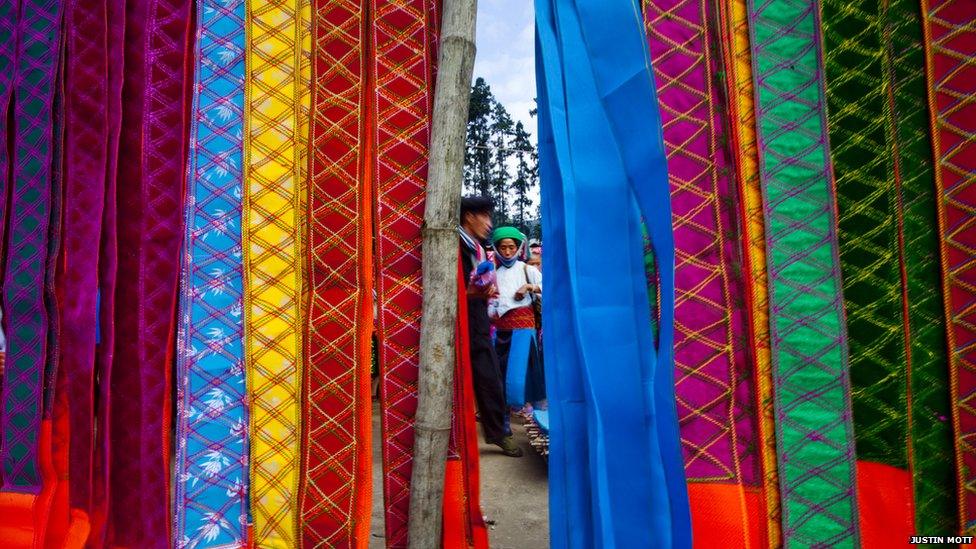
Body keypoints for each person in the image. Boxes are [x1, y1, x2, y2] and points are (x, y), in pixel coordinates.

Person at [459, 196, 522, 457]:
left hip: (478, 320)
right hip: (459, 321)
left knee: (490, 377)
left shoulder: (475, 247)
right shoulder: (455, 245)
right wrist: (474, 291)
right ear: (469, 217)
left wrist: (484, 291)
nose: (488, 223)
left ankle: (497, 433)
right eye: (484, 216)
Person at [488, 227, 545, 416]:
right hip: (501, 329)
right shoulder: (494, 272)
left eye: (511, 247)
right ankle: (507, 411)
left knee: (523, 372)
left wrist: (530, 286)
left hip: (523, 329)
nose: (507, 252)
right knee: (501, 370)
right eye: (503, 247)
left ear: (518, 247)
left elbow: (549, 287)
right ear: (496, 248)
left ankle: (531, 411)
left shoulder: (527, 269)